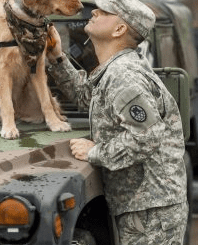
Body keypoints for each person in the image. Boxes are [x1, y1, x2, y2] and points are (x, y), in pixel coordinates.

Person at [47, 0, 188, 244]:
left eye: (104, 12)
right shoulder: (113, 71)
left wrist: (96, 152)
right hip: (144, 206)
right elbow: (85, 95)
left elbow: (147, 136)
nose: (94, 12)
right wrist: (58, 57)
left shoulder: (123, 75)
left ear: (119, 30)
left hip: (151, 211)